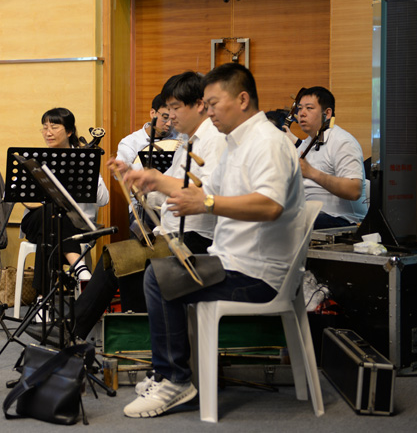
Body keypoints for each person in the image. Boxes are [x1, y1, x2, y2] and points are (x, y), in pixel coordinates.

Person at [122, 62, 305, 418]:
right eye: (205, 105)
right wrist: (153, 180)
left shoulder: (267, 142)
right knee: (161, 273)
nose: (208, 112)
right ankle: (171, 375)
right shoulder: (237, 143)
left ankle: (174, 379)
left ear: (242, 99)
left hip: (259, 275)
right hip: (234, 263)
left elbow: (270, 206)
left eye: (213, 104)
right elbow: (205, 190)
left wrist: (206, 203)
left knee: (159, 277)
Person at [72, 71, 226, 339]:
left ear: (199, 104)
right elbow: (165, 193)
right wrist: (137, 180)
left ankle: (79, 332)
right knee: (121, 259)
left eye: (175, 108)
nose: (170, 117)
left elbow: (205, 195)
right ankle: (119, 337)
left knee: (120, 259)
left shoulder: (214, 140)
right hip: (175, 233)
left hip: (198, 239)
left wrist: (155, 180)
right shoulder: (187, 142)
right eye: (167, 110)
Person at [20, 107, 109, 295]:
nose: (48, 133)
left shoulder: (83, 158)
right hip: (35, 221)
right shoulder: (37, 160)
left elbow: (103, 199)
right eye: (45, 128)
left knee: (52, 225)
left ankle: (42, 299)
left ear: (69, 132)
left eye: (54, 127)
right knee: (52, 211)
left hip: (75, 225)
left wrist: (89, 171)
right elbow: (18, 191)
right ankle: (80, 267)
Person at [283, 86, 367, 229]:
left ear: (327, 113)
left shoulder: (342, 142)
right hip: (312, 214)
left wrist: (312, 173)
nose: (302, 113)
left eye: (309, 108)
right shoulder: (307, 143)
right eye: (300, 108)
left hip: (344, 220)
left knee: (286, 222)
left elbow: (354, 190)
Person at [115, 94, 177, 169]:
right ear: (152, 113)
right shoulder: (130, 142)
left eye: (173, 119)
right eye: (165, 117)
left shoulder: (180, 139)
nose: (169, 124)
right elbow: (120, 171)